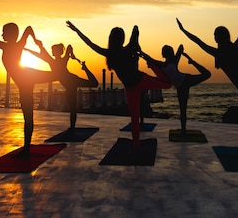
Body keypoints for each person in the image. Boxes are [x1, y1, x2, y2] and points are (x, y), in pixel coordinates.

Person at [66, 21, 172, 150]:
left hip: (131, 86)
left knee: (134, 118)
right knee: (168, 85)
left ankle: (136, 146)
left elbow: (90, 44)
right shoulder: (127, 49)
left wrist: (77, 30)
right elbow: (135, 34)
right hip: (138, 82)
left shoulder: (110, 53)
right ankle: (135, 146)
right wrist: (135, 29)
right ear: (122, 39)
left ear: (111, 39)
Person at [176, 18, 238, 157]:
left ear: (220, 37)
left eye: (216, 35)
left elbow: (198, 42)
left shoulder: (220, 52)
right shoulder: (231, 48)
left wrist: (184, 30)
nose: (214, 37)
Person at [0, 14, 55, 156]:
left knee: (28, 115)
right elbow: (28, 29)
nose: (2, 34)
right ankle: (26, 147)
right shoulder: (18, 44)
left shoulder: (4, 46)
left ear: (9, 34)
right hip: (26, 77)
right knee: (28, 115)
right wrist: (35, 41)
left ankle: (27, 149)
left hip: (25, 77)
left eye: (4, 32)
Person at [25, 37, 98, 129]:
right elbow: (42, 54)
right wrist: (28, 50)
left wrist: (29, 50)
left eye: (53, 50)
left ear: (57, 51)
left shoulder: (54, 61)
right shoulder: (58, 60)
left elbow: (42, 54)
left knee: (93, 85)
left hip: (72, 80)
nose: (52, 51)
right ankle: (72, 127)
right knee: (73, 107)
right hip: (70, 83)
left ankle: (85, 68)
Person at [146, 44, 211, 134]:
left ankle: (192, 62)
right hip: (180, 86)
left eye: (167, 51)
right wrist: (141, 53)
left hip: (186, 79)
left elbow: (179, 51)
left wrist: (180, 48)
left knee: (207, 74)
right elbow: (151, 59)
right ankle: (183, 130)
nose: (165, 53)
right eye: (165, 51)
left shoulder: (174, 61)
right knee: (182, 108)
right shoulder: (162, 64)